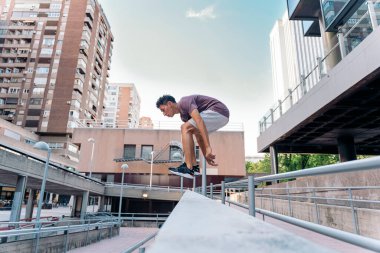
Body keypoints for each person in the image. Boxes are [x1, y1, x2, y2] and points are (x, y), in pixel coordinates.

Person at [156, 94, 229, 179]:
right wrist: (205, 154)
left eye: (163, 110)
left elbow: (199, 120)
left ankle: (188, 167)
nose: (164, 114)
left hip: (218, 110)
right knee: (188, 130)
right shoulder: (184, 117)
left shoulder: (184, 102)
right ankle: (193, 167)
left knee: (184, 127)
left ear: (169, 104)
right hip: (221, 117)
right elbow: (199, 135)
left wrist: (208, 147)